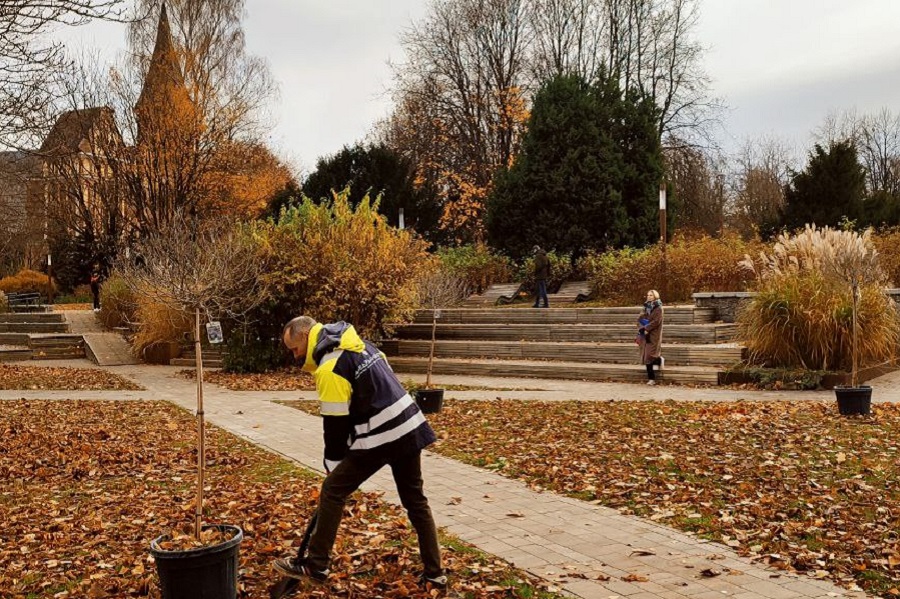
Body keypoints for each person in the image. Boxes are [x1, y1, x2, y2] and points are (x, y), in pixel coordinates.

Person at [274, 316, 446, 589]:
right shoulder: (358, 343)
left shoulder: (330, 367)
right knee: (416, 500)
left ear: (306, 337)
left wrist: (333, 463)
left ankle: (315, 565)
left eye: (294, 349)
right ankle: (436, 574)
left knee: (333, 490)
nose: (294, 357)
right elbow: (379, 384)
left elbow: (335, 425)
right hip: (409, 426)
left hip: (383, 434)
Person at [638, 290, 665, 385]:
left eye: (651, 295)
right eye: (648, 295)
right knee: (646, 357)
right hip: (644, 333)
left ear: (655, 296)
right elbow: (640, 318)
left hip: (654, 334)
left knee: (649, 355)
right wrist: (642, 327)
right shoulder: (645, 306)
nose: (649, 297)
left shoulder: (659, 308)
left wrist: (647, 328)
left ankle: (658, 360)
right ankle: (651, 378)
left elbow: (657, 321)